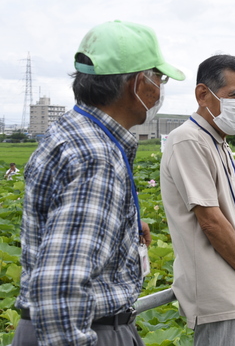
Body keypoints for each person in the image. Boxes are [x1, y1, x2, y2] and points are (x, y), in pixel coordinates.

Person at [14, 20, 184, 345]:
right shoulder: (98, 156)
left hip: (54, 327)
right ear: (138, 82)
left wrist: (122, 230)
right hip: (85, 330)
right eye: (159, 78)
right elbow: (60, 287)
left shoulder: (71, 130)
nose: (160, 89)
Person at [160, 55, 235, 345]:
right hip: (221, 295)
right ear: (203, 94)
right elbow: (212, 221)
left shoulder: (218, 140)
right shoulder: (188, 140)